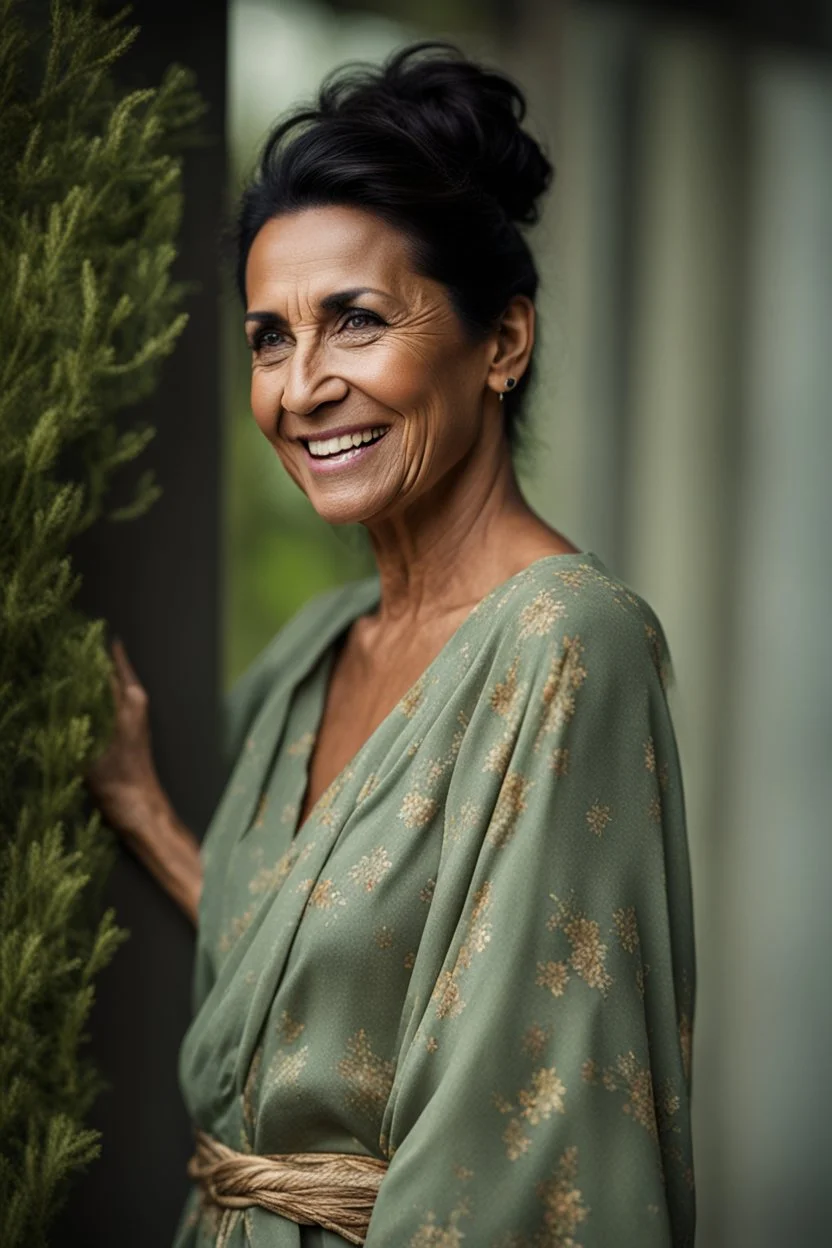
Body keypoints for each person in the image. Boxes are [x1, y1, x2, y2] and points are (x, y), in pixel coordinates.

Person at [85, 40, 695, 1248]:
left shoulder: (568, 649)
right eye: (268, 338)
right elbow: (314, 997)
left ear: (503, 343)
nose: (300, 386)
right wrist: (144, 810)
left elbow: (533, 1124)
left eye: (353, 321)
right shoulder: (316, 650)